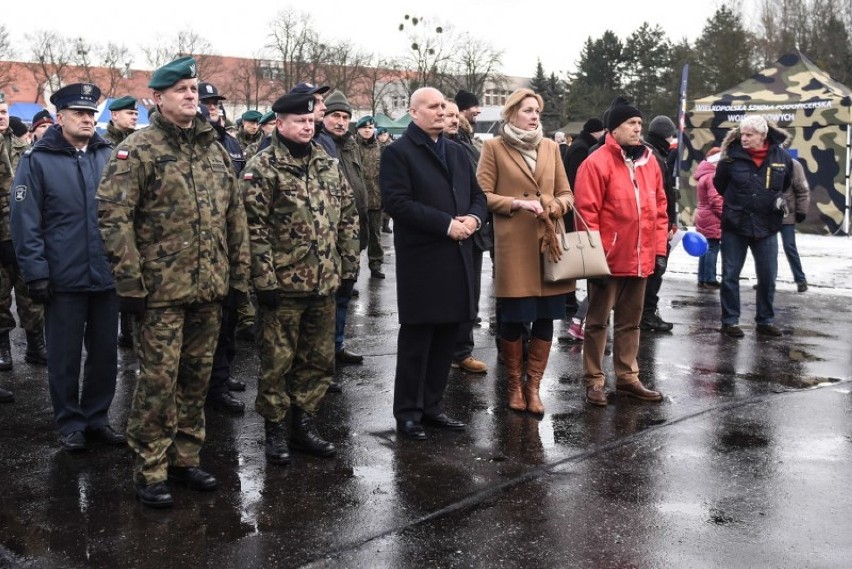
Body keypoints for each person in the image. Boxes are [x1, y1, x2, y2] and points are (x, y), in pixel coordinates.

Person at [96, 56, 250, 509]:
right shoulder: (138, 149)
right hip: (159, 292)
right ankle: (151, 468)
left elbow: (233, 218)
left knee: (196, 379)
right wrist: (129, 283)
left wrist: (238, 279)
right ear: (157, 99)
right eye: (180, 89)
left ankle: (185, 458)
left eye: (194, 88)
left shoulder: (216, 149)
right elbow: (114, 216)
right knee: (158, 383)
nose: (190, 95)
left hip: (208, 289)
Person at [241, 91, 360, 464]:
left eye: (311, 121)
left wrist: (348, 266)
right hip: (283, 287)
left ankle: (303, 425)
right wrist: (265, 281)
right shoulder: (262, 167)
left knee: (317, 361)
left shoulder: (326, 162)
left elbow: (347, 215)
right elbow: (252, 228)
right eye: (299, 121)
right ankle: (275, 431)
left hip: (323, 283)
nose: (308, 127)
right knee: (277, 363)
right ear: (280, 123)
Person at [10, 82, 124, 451]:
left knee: (105, 354)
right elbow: (25, 221)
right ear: (60, 118)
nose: (88, 119)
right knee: (64, 356)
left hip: (106, 275)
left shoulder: (108, 155)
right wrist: (36, 273)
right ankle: (70, 423)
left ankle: (97, 418)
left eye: (92, 113)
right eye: (80, 113)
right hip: (63, 276)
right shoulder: (37, 159)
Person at [380, 87, 486, 440]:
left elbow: (478, 197)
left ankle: (432, 407)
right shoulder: (399, 153)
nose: (441, 112)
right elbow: (397, 203)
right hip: (423, 260)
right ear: (413, 112)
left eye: (444, 106)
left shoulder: (456, 152)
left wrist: (473, 219)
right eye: (433, 106)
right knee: (418, 340)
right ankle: (408, 413)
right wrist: (446, 224)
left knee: (445, 338)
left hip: (457, 258)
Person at [477, 88, 574, 414]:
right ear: (510, 113)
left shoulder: (550, 147)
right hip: (514, 244)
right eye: (527, 110)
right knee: (515, 317)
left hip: (550, 244)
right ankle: (514, 385)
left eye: (537, 111)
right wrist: (515, 203)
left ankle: (533, 387)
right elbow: (481, 195)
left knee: (547, 315)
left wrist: (555, 206)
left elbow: (566, 193)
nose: (534, 116)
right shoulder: (494, 147)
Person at [574, 98, 668, 407]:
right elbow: (585, 214)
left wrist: (658, 250)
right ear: (615, 128)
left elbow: (659, 208)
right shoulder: (596, 162)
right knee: (598, 323)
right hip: (609, 260)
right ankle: (594, 380)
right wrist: (594, 261)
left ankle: (628, 378)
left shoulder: (649, 161)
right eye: (631, 123)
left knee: (631, 322)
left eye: (640, 124)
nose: (638, 128)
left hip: (640, 258)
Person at [714, 115, 792, 338]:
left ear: (763, 135)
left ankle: (765, 320)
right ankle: (730, 321)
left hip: (767, 225)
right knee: (730, 275)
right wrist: (739, 203)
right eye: (742, 134)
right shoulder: (730, 158)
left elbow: (784, 184)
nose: (744, 138)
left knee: (768, 275)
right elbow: (720, 184)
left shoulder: (781, 157)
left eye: (750, 135)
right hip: (735, 224)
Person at [198, 81, 249, 412]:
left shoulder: (229, 143)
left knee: (228, 321)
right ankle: (208, 384)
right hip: (200, 251)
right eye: (208, 103)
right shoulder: (199, 144)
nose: (214, 107)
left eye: (217, 103)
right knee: (206, 329)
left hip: (230, 245)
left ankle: (221, 378)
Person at [316, 91, 366, 366]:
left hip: (351, 234)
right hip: (328, 237)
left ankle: (337, 346)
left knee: (345, 295)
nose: (341, 121)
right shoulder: (319, 145)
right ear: (323, 116)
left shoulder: (349, 145)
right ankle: (323, 357)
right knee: (328, 301)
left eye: (346, 117)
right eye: (335, 115)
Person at [0, 93, 47, 370]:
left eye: (4, 111)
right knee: (0, 295)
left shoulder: (22, 146)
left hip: (24, 234)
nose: (2, 116)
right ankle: (3, 348)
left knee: (29, 292)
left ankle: (35, 345)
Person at [443, 99, 488, 374]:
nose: (450, 119)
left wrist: (474, 217)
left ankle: (462, 350)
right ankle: (449, 350)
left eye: (452, 115)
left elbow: (478, 189)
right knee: (448, 295)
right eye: (445, 114)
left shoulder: (465, 147)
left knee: (470, 294)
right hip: (445, 232)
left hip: (471, 231)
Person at [559, 117, 606, 343]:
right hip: (574, 210)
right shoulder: (582, 150)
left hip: (572, 209)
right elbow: (576, 179)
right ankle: (571, 304)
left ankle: (571, 302)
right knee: (579, 259)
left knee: (578, 259)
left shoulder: (580, 145)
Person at [103, 95, 140, 349]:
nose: (134, 117)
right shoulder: (104, 145)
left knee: (134, 271)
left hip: (136, 216)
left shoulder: (138, 143)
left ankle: (128, 330)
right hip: (113, 214)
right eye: (129, 113)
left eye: (135, 113)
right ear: (114, 115)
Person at [640, 115, 679, 332]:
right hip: (655, 224)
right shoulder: (654, 156)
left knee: (653, 270)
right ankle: (646, 313)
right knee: (655, 269)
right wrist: (668, 222)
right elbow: (661, 194)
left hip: (656, 221)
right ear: (666, 135)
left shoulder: (652, 153)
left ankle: (645, 312)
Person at [353, 115, 386, 280]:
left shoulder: (381, 148)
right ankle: (352, 270)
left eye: (370, 127)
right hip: (355, 201)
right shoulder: (351, 147)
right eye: (364, 128)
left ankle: (375, 264)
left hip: (375, 199)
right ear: (358, 129)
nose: (367, 130)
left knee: (375, 235)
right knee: (354, 238)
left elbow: (386, 175)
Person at [694, 147, 723, 288]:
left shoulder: (703, 175)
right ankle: (710, 279)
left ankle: (702, 278)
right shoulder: (712, 176)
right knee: (712, 247)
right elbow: (715, 200)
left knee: (704, 248)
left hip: (703, 215)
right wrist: (724, 216)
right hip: (712, 217)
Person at [780, 156, 810, 292]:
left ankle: (800, 280)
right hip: (767, 216)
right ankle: (765, 280)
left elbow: (802, 191)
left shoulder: (793, 165)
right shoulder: (764, 162)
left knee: (789, 247)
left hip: (787, 215)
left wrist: (801, 211)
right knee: (766, 250)